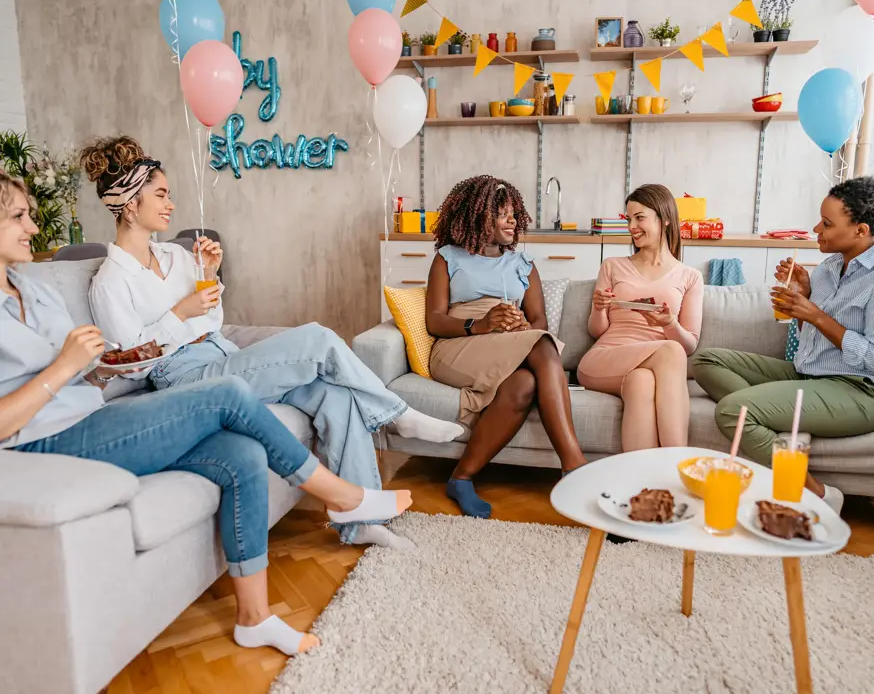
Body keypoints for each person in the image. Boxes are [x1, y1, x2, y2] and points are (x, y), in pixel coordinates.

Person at [0, 169, 411, 656]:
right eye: (19, 217)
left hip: (91, 411)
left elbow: (80, 370)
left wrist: (99, 368)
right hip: (46, 439)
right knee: (228, 392)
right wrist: (63, 368)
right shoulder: (104, 280)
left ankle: (254, 618)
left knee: (241, 453)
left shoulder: (31, 287)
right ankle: (343, 496)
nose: (32, 227)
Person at [82, 136, 463, 550]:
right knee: (317, 338)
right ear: (130, 203)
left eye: (169, 194)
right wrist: (180, 313)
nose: (170, 203)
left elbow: (213, 322)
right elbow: (130, 363)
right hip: (180, 382)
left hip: (222, 355)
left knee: (333, 395)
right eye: (160, 195)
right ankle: (397, 414)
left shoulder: (176, 256)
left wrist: (208, 277)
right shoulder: (109, 282)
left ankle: (360, 524)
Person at [692, 177, 874, 514]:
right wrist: (804, 302)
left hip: (867, 391)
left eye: (827, 224)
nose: (816, 228)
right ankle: (772, 417)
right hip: (813, 376)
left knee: (733, 411)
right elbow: (810, 341)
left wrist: (815, 314)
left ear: (860, 230)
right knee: (707, 361)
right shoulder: (830, 267)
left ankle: (818, 495)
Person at [425, 175, 587, 518]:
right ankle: (575, 468)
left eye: (514, 214)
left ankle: (461, 477)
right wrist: (480, 324)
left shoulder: (522, 265)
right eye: (503, 214)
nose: (513, 221)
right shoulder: (448, 258)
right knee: (543, 349)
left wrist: (523, 327)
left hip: (510, 342)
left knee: (525, 383)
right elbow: (435, 320)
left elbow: (540, 321)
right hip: (459, 344)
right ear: (479, 216)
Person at [578, 184, 703, 451]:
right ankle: (677, 460)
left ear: (664, 219)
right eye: (629, 219)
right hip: (606, 357)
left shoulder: (690, 276)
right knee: (670, 350)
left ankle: (642, 481)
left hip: (648, 362)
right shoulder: (612, 265)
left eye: (639, 217)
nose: (632, 226)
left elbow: (689, 345)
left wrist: (670, 323)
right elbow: (597, 331)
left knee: (642, 381)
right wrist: (599, 308)